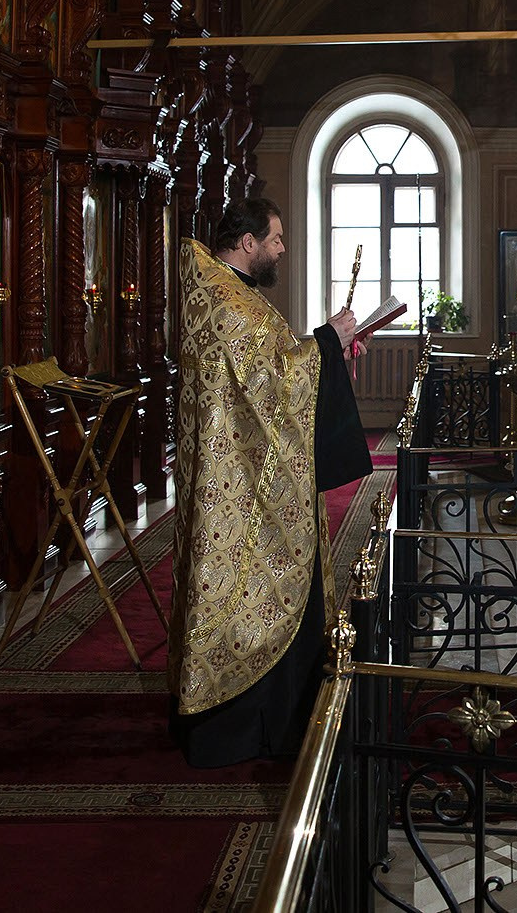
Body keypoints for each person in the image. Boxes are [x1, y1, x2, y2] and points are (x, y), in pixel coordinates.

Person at [169, 197, 372, 767]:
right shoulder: (228, 299)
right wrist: (328, 340)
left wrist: (329, 346)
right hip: (240, 478)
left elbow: (270, 367)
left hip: (238, 466)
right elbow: (277, 376)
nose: (282, 249)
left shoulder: (223, 292)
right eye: (276, 239)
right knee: (257, 577)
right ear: (247, 242)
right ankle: (253, 721)